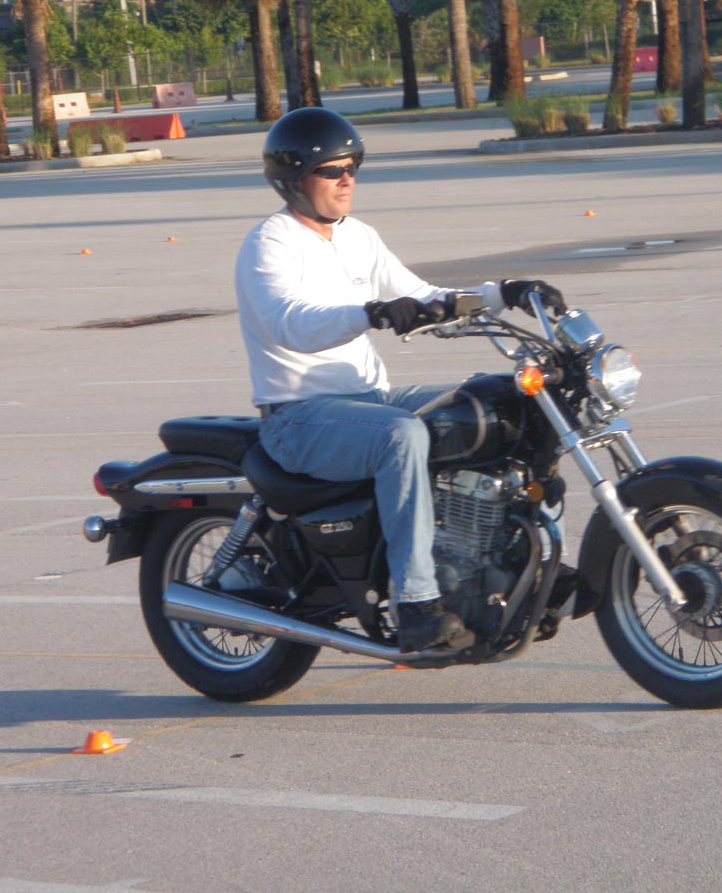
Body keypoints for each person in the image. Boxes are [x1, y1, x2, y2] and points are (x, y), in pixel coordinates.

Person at [234, 107, 563, 654]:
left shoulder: (357, 236)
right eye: (331, 170)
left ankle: (520, 566)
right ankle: (416, 604)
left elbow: (426, 296)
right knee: (402, 435)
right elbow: (290, 322)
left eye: (353, 166)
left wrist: (503, 293)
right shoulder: (270, 244)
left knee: (501, 404)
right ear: (292, 180)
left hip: (369, 399)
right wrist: (371, 312)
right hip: (298, 416)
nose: (347, 179)